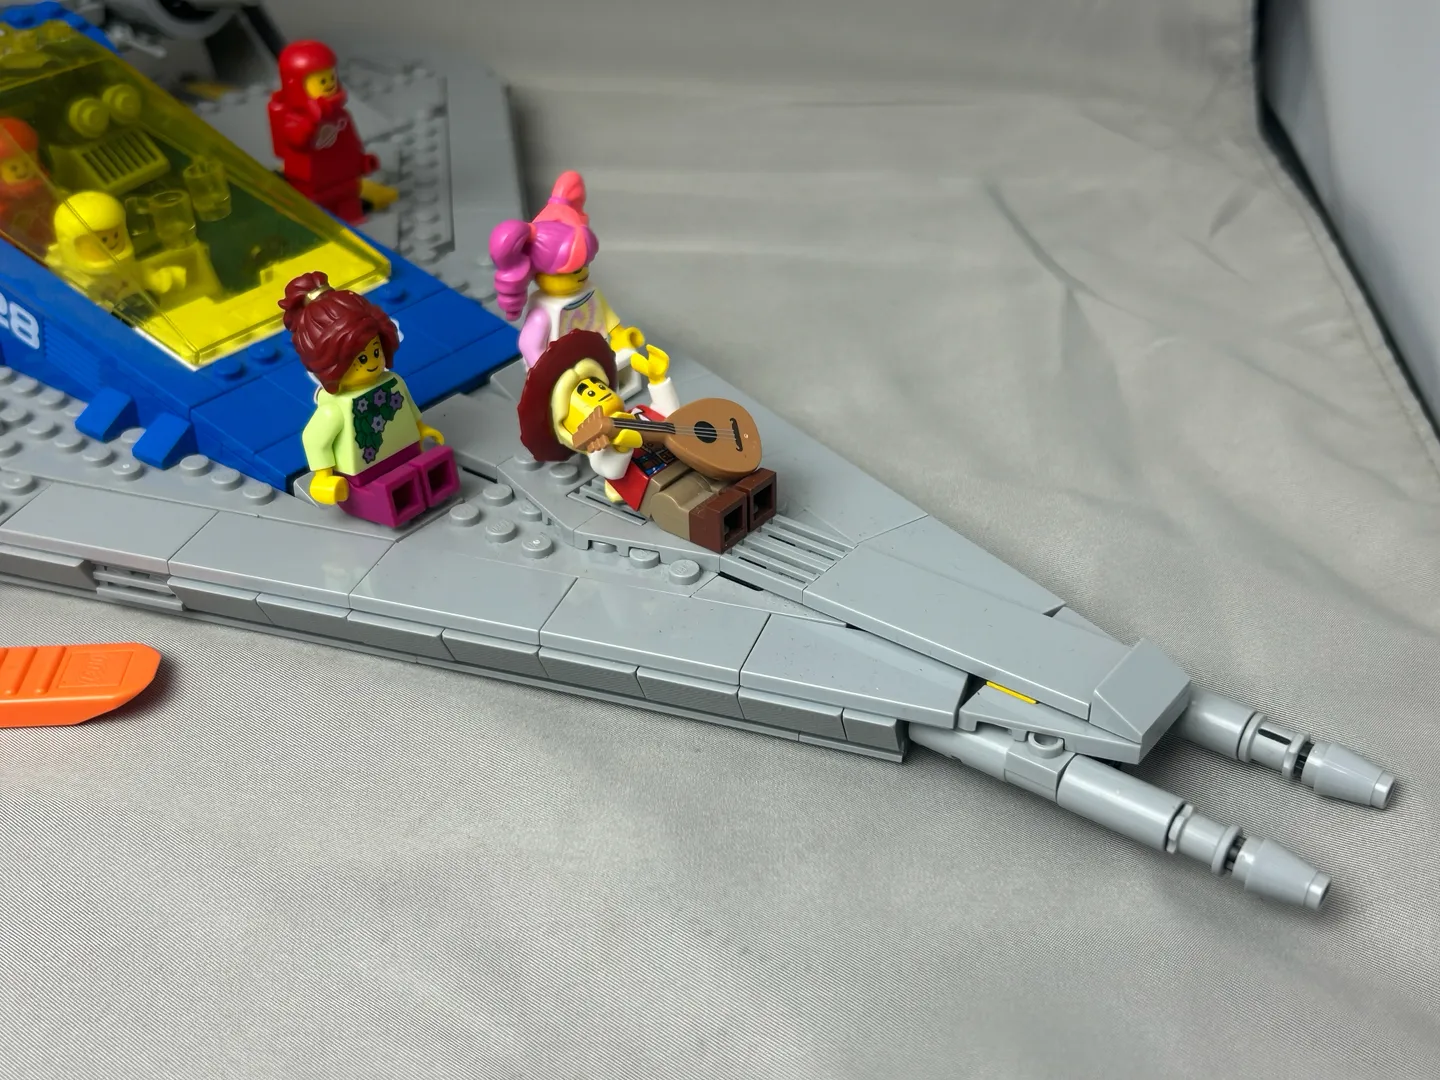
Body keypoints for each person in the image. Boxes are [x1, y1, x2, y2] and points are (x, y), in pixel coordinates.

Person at [282, 270, 457, 527]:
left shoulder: (392, 382)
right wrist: (323, 477)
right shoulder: (335, 410)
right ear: (331, 364)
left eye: (376, 350)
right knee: (394, 492)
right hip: (365, 478)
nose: (373, 362)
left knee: (428, 476)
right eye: (361, 358)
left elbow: (407, 408)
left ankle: (429, 490)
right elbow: (314, 440)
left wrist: (421, 428)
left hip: (409, 453)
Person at [489, 170, 648, 396]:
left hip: (597, 356)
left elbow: (605, 316)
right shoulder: (544, 311)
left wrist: (620, 334)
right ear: (540, 274)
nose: (583, 274)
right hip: (566, 373)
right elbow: (529, 345)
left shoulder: (589, 291)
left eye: (585, 265)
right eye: (573, 271)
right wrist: (547, 374)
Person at [267, 41, 394, 223]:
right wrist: (310, 122)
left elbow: (350, 142)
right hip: (312, 184)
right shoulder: (295, 120)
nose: (329, 85)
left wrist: (361, 161)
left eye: (331, 78)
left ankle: (353, 221)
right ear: (297, 85)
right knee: (316, 212)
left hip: (345, 179)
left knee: (349, 205)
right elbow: (296, 141)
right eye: (322, 81)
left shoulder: (340, 115)